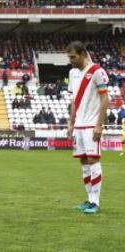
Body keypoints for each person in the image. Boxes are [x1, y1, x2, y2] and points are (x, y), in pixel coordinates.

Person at [67, 41, 109, 214]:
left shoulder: (97, 71)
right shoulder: (72, 73)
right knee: (83, 161)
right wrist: (71, 122)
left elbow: (105, 99)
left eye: (73, 57)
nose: (70, 60)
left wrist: (99, 124)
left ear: (82, 54)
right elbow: (74, 100)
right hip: (79, 125)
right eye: (69, 57)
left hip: (92, 124)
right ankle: (89, 199)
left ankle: (96, 202)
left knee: (93, 160)